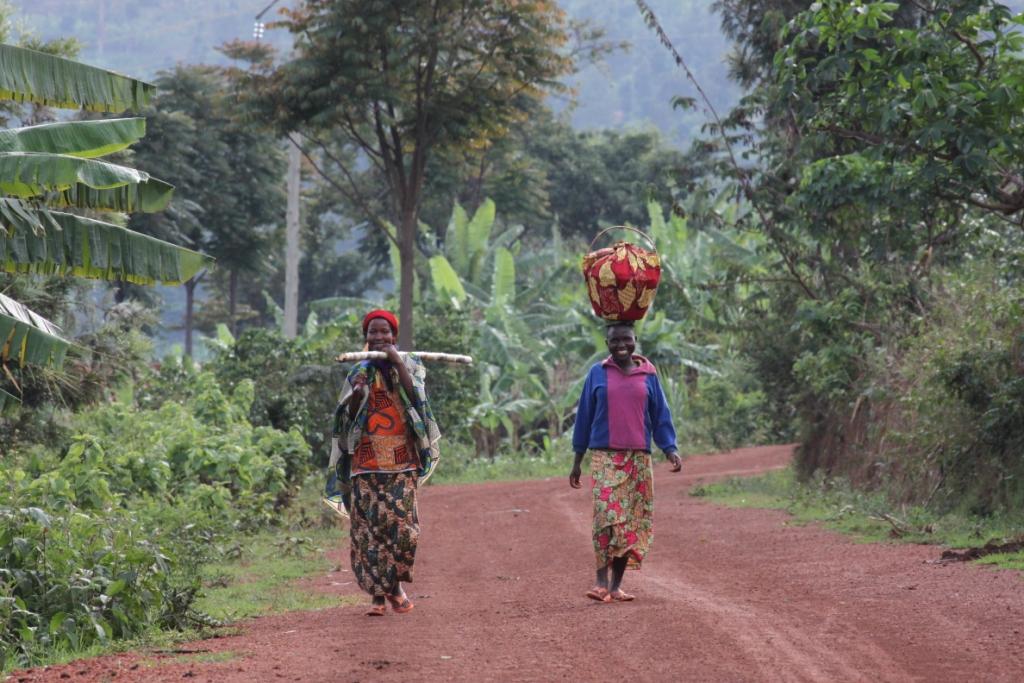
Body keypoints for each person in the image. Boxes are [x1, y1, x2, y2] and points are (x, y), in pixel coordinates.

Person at [329, 309, 441, 616]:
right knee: (369, 533)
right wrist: (357, 394)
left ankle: (395, 587)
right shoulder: (358, 371)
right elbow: (346, 418)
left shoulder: (410, 365)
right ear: (365, 339)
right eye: (373, 334)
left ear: (394, 336)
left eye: (384, 333)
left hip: (402, 464)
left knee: (404, 531)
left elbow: (416, 399)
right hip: (365, 465)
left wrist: (396, 363)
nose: (379, 337)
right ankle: (378, 598)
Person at [570, 321, 682, 602]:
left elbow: (660, 416)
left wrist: (670, 449)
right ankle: (599, 581)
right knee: (606, 517)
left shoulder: (648, 374)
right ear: (607, 343)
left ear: (635, 340)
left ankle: (615, 585)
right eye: (614, 341)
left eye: (626, 339)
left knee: (629, 522)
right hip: (604, 456)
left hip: (638, 458)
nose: (621, 345)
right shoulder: (598, 373)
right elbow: (584, 416)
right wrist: (577, 458)